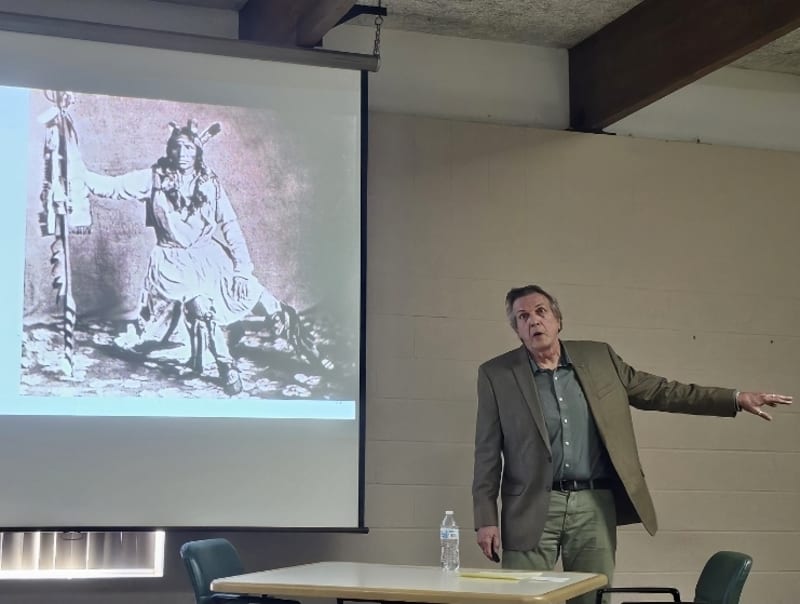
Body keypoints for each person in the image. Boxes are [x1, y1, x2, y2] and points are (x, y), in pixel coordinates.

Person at [472, 284, 792, 604]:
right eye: (523, 316)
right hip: (530, 506)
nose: (533, 320)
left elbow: (662, 391)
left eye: (541, 311)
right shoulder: (496, 374)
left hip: (593, 504)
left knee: (592, 598)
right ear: (516, 330)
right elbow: (487, 452)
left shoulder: (599, 358)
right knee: (521, 599)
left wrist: (735, 399)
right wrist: (485, 518)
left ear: (558, 320)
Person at [75, 119, 316, 395]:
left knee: (259, 295)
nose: (182, 154)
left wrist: (241, 270)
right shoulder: (154, 178)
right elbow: (114, 187)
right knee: (201, 306)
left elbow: (230, 224)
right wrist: (77, 173)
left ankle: (307, 349)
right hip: (172, 264)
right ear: (169, 149)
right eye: (177, 147)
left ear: (198, 151)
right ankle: (227, 367)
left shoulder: (210, 183)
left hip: (209, 259)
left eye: (189, 148)